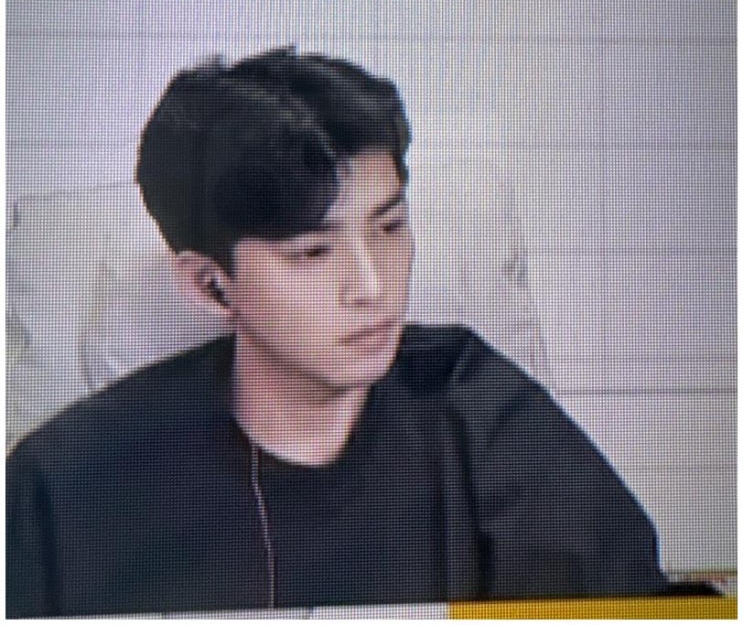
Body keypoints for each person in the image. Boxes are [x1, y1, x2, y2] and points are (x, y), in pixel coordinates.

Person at [6, 48, 668, 616]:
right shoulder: (65, 486)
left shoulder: (479, 409)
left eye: (389, 226)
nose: (372, 286)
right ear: (211, 285)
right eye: (312, 253)